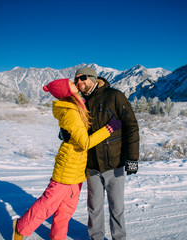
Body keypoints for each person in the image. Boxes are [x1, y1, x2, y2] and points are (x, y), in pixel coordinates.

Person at [12, 78, 122, 240]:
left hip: (77, 169)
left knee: (66, 210)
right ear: (66, 91)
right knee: (48, 204)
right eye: (70, 83)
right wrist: (109, 128)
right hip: (67, 167)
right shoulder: (71, 111)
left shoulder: (77, 105)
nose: (75, 83)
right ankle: (20, 228)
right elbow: (85, 142)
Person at [74, 67, 140, 240]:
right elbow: (75, 129)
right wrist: (64, 133)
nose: (79, 82)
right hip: (91, 165)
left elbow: (131, 125)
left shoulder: (114, 96)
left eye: (82, 78)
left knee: (117, 208)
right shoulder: (80, 103)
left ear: (93, 78)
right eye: (76, 80)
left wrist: (132, 157)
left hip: (115, 162)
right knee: (94, 208)